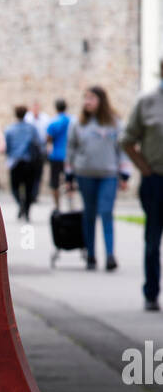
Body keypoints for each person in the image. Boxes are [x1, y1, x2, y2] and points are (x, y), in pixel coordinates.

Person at [65, 86, 129, 271]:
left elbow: (122, 149)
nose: (87, 102)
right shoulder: (78, 123)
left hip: (108, 174)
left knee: (106, 212)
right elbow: (70, 150)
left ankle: (110, 254)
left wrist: (124, 173)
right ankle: (91, 254)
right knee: (89, 214)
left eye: (91, 98)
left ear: (101, 100)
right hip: (85, 174)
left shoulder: (114, 123)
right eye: (85, 98)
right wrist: (69, 175)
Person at [121, 55, 163, 310]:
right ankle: (151, 292)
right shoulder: (147, 102)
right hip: (156, 180)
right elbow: (126, 140)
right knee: (153, 238)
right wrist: (144, 168)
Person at [4, 105, 43, 221]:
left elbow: (7, 147)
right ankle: (26, 210)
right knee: (29, 188)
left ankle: (21, 204)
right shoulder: (31, 128)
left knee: (15, 187)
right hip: (29, 162)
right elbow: (39, 143)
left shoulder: (9, 129)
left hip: (15, 162)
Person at [46, 99, 72, 211]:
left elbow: (48, 139)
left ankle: (57, 206)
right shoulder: (72, 121)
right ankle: (71, 205)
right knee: (69, 180)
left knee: (55, 182)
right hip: (69, 156)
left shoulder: (53, 122)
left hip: (56, 155)